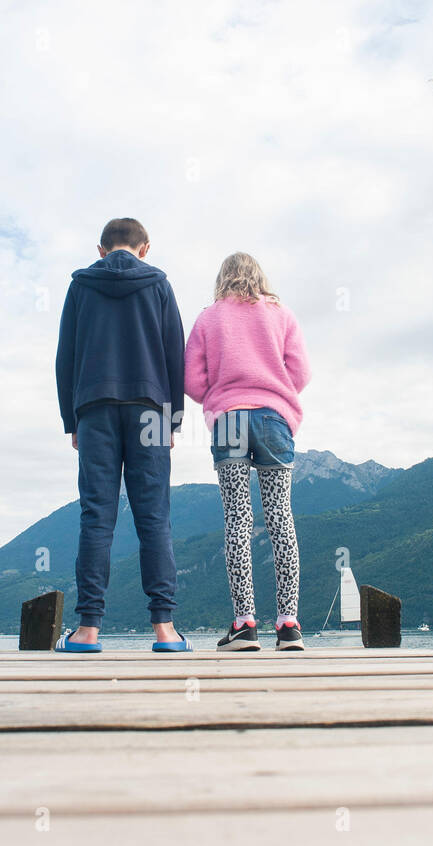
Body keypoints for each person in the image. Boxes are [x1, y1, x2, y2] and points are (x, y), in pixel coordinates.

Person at [54, 217, 189, 653]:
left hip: (94, 410)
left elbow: (66, 357)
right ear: (145, 248)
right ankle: (165, 631)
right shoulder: (159, 286)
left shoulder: (80, 287)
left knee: (97, 516)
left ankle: (88, 630)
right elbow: (175, 355)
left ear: (100, 249)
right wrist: (174, 420)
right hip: (151, 410)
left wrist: (70, 420)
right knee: (154, 517)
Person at [184, 252, 312, 651]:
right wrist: (273, 389)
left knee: (238, 519)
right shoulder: (282, 314)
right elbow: (302, 372)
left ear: (222, 278)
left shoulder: (209, 318)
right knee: (280, 519)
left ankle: (244, 625)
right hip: (274, 420)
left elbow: (191, 379)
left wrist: (222, 397)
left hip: (230, 422)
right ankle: (288, 625)